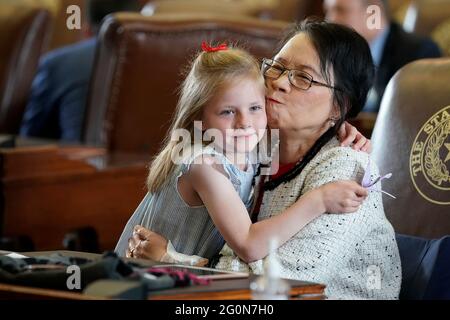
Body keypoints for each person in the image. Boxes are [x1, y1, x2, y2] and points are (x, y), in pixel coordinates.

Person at [131, 19, 402, 300]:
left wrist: (172, 260)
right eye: (278, 66)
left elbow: (277, 286)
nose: (280, 83)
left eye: (303, 78)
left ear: (339, 106)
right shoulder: (250, 140)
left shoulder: (347, 172)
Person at [115, 43, 370, 267]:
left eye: (255, 107)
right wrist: (320, 200)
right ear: (199, 118)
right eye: (227, 112)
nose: (244, 123)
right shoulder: (205, 165)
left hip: (184, 280)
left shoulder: (247, 147)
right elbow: (248, 244)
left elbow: (304, 134)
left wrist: (336, 126)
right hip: (146, 279)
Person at [19, 0, 141, 142]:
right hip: (151, 163)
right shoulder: (162, 63)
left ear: (86, 29)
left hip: (75, 162)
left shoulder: (56, 64)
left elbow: (28, 140)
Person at [323, 0, 441, 113]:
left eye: (340, 10)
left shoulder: (419, 54)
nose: (329, 20)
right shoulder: (329, 53)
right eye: (327, 11)